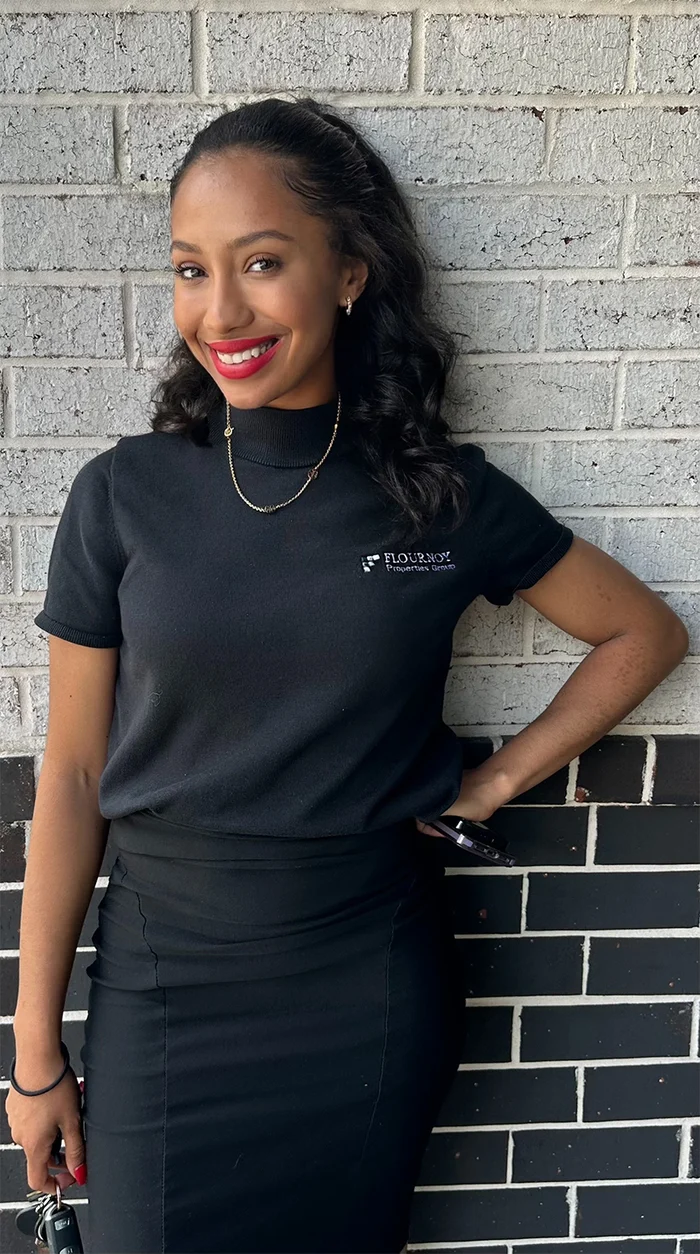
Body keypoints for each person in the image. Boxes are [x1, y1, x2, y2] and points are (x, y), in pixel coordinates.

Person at [6, 94, 689, 1254]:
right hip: (168, 989)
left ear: (350, 273)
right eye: (189, 269)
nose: (219, 311)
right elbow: (70, 779)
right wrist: (32, 1064)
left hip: (365, 984)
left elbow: (642, 635)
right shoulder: (121, 497)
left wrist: (491, 783)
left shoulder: (442, 495)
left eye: (262, 263)